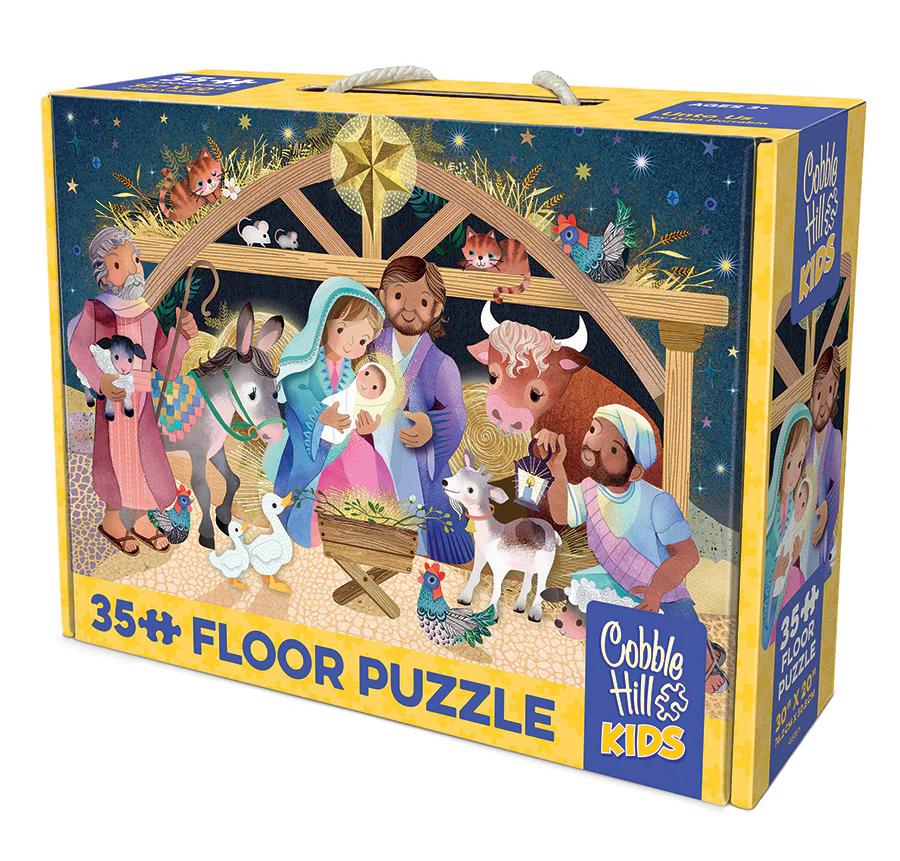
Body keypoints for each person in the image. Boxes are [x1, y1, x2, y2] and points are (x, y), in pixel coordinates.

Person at [536, 404, 728, 693]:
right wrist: (555, 466)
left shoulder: (657, 503)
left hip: (662, 587)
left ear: (635, 470)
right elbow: (562, 514)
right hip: (617, 579)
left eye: (613, 449)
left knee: (682, 626)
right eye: (593, 430)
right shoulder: (589, 489)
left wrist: (657, 590)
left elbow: (687, 554)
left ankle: (707, 660)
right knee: (584, 594)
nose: (594, 445)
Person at [68, 227, 197, 555]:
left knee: (144, 460)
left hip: (141, 405)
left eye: (136, 260)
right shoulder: (97, 311)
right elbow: (78, 349)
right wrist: (100, 380)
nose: (135, 269)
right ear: (106, 272)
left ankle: (141, 520)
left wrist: (182, 336)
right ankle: (113, 520)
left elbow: (164, 361)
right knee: (114, 459)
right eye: (122, 262)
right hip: (112, 404)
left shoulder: (146, 315)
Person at [262, 277, 385, 546]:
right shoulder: (306, 359)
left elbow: (356, 402)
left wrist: (365, 425)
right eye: (342, 330)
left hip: (332, 445)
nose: (352, 345)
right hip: (303, 435)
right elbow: (295, 388)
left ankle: (305, 529)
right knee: (295, 477)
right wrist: (320, 413)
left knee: (320, 486)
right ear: (324, 322)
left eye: (362, 340)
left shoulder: (353, 374)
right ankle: (284, 524)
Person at [368, 257, 473, 565]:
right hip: (371, 447)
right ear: (382, 296)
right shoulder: (368, 345)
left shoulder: (441, 365)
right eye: (399, 295)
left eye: (423, 301)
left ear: (436, 309)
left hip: (415, 460)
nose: (409, 308)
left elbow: (456, 415)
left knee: (422, 537)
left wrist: (431, 426)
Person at [761, 403, 812, 648]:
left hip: (780, 586)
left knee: (796, 576)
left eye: (799, 465)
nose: (793, 475)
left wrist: (793, 555)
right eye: (789, 464)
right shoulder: (769, 512)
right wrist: (776, 570)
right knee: (793, 578)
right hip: (769, 593)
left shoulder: (791, 507)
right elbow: (762, 559)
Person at [807, 347, 843, 577]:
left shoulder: (835, 439)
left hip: (820, 532)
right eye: (818, 394)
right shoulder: (805, 437)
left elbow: (836, 488)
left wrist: (827, 510)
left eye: (829, 391)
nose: (822, 404)